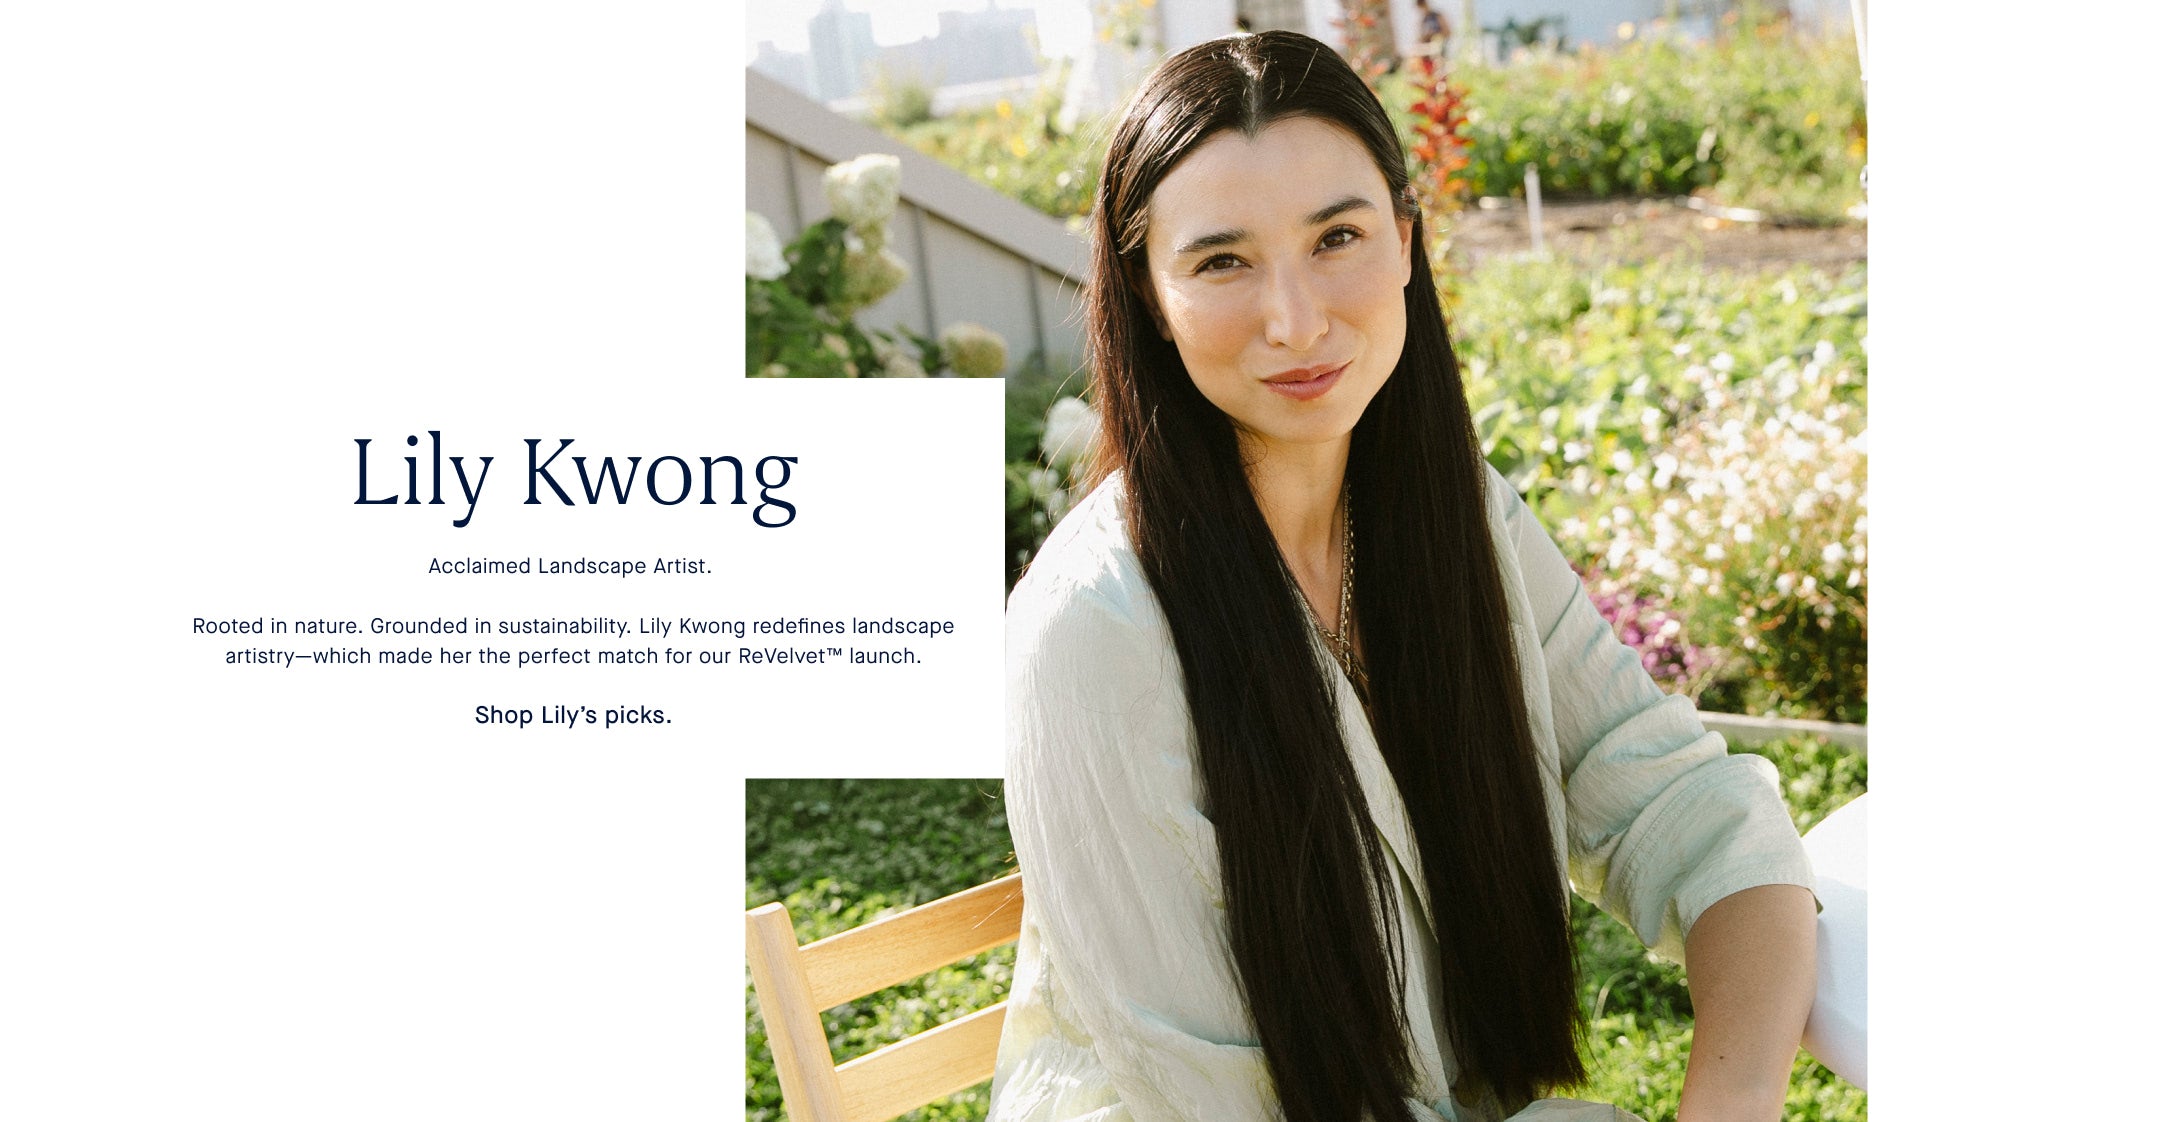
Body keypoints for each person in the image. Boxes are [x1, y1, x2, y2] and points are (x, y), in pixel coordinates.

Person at [992, 30, 1816, 1122]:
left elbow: (1682, 801)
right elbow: (1218, 1099)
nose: (1295, 319)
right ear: (1148, 293)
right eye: (1222, 260)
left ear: (1409, 241)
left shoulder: (1446, 509)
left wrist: (1736, 1100)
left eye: (1338, 236)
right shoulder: (1094, 627)